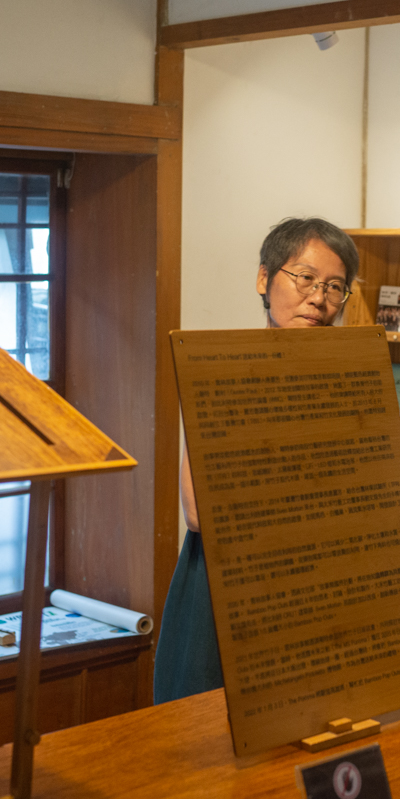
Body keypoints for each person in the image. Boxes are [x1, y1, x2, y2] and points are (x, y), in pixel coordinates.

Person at [152, 217, 360, 704]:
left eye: (335, 287)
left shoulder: (348, 381)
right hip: (227, 577)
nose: (319, 298)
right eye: (305, 278)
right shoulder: (224, 367)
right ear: (265, 279)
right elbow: (199, 510)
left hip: (316, 587)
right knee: (203, 721)